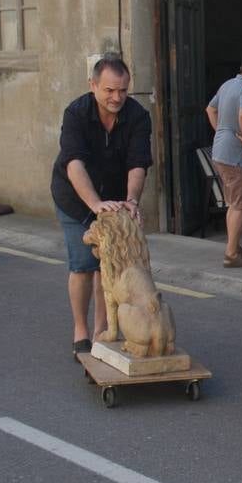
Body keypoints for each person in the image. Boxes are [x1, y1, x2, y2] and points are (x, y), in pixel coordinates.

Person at [51, 55, 152, 362]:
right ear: (93, 85)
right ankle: (80, 331)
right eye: (109, 90)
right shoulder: (76, 113)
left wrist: (132, 200)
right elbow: (74, 164)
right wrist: (94, 204)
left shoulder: (138, 116)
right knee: (83, 263)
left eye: (122, 90)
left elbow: (138, 164)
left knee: (107, 267)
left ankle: (102, 329)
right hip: (75, 197)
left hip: (115, 200)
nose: (116, 97)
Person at [206, 50, 242, 268]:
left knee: (233, 203)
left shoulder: (227, 84)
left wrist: (222, 130)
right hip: (236, 157)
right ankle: (231, 253)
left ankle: (234, 246)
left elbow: (210, 109)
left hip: (221, 153)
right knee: (241, 204)